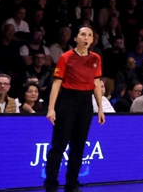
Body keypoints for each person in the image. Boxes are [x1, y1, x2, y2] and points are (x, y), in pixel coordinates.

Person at [45, 24, 105, 192]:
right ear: (75, 38)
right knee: (60, 144)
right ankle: (51, 184)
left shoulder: (96, 58)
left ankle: (72, 184)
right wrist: (51, 108)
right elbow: (56, 84)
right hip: (67, 101)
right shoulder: (66, 57)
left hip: (85, 103)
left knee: (79, 146)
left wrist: (100, 108)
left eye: (89, 35)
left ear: (92, 40)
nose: (86, 38)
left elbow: (96, 83)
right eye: (83, 34)